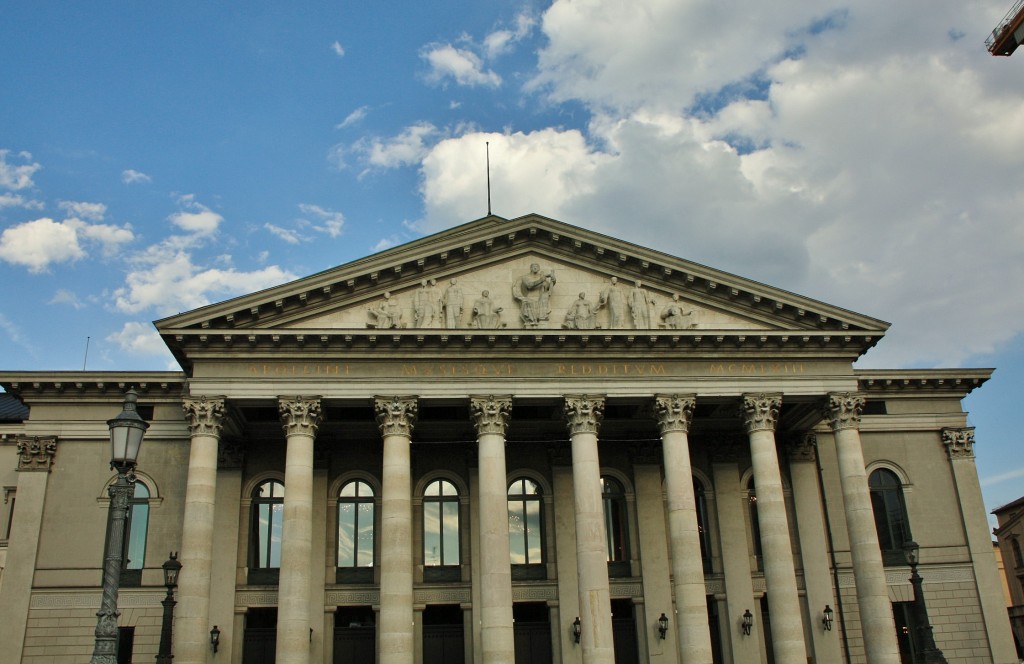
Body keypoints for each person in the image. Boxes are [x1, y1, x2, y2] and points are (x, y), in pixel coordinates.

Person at [512, 263, 556, 327]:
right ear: (531, 268)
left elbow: (548, 287)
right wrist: (541, 280)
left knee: (544, 297)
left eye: (537, 267)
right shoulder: (525, 277)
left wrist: (553, 281)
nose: (535, 268)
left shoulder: (542, 277)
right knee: (528, 303)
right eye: (534, 267)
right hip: (530, 298)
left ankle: (542, 319)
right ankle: (532, 321)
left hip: (541, 299)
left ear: (539, 269)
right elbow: (529, 285)